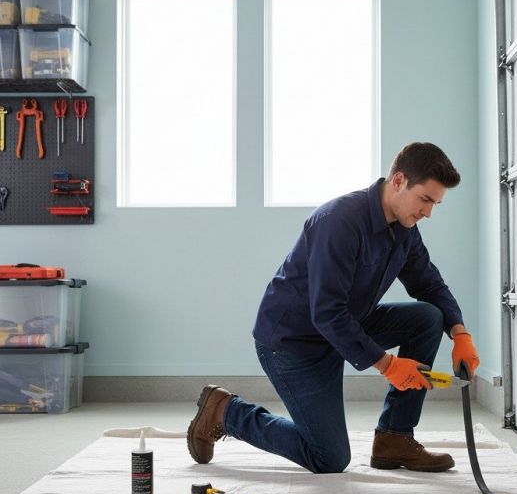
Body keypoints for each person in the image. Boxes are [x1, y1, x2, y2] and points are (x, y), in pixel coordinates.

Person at [186, 141, 480, 474]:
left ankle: (394, 439)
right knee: (329, 458)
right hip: (294, 343)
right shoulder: (339, 221)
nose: (428, 212)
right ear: (398, 182)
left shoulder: (405, 229)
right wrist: (388, 364)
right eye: (425, 199)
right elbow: (326, 312)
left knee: (429, 318)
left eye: (435, 204)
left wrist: (460, 333)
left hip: (345, 325)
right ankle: (225, 412)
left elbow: (428, 284)